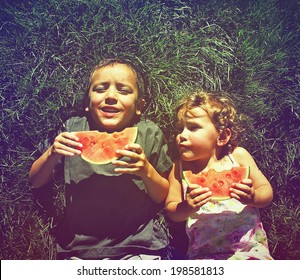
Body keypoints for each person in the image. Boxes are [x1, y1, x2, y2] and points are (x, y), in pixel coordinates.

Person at [29, 57, 173, 260]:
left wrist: (146, 171)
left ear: (139, 106)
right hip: (79, 248)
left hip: (138, 245)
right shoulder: (73, 130)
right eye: (100, 89)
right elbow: (36, 182)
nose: (111, 96)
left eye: (123, 90)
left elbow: (162, 196)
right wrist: (52, 153)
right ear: (88, 103)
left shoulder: (149, 133)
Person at [165, 91, 273, 260]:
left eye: (193, 128)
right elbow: (172, 209)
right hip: (202, 255)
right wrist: (187, 206)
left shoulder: (238, 156)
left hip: (248, 250)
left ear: (222, 136)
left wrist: (254, 197)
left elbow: (266, 191)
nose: (182, 136)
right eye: (180, 129)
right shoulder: (178, 168)